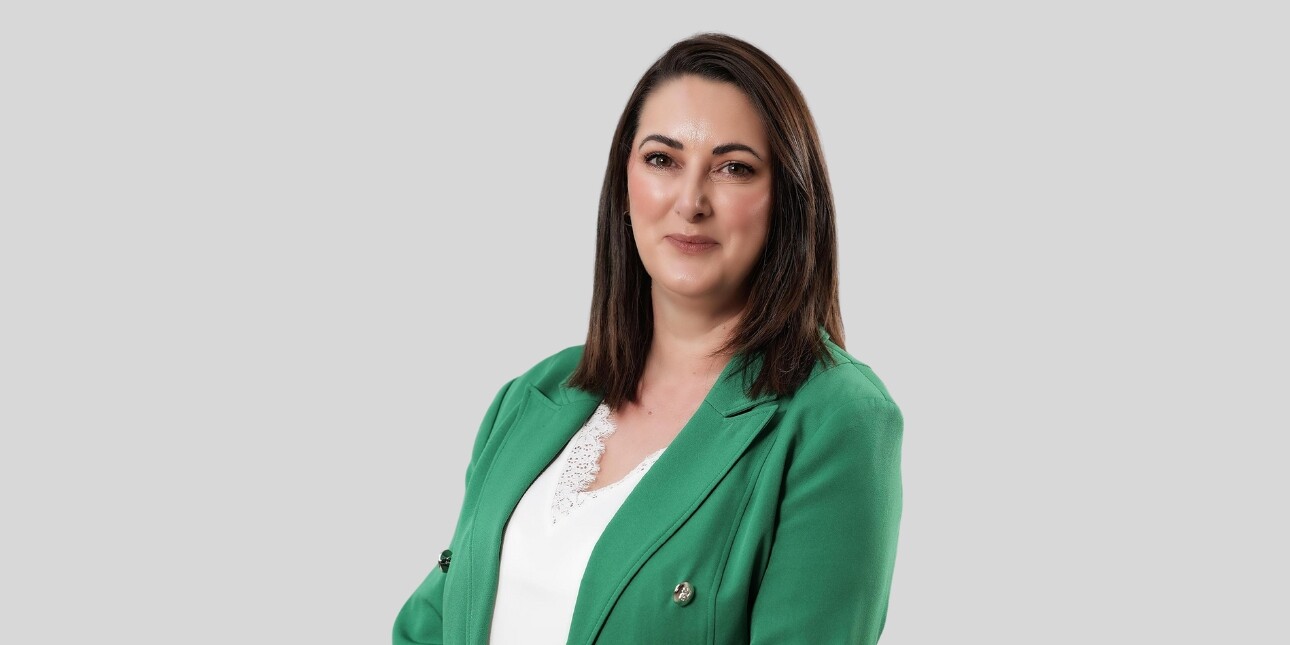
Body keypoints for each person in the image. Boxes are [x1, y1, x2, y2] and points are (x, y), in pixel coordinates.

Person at [393, 33, 903, 645]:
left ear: (787, 202)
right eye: (663, 159)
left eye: (734, 168)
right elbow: (428, 629)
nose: (691, 201)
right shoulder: (531, 396)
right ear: (625, 187)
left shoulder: (835, 421)